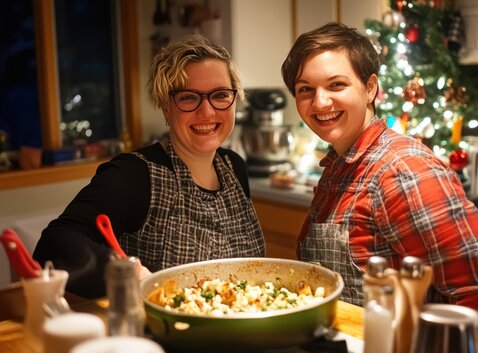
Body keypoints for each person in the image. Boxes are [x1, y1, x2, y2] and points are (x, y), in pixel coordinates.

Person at [33, 34, 265, 299]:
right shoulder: (134, 175)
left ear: (235, 100)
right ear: (166, 108)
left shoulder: (234, 167)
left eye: (220, 95)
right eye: (189, 98)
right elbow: (53, 245)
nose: (208, 112)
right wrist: (121, 270)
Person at [281, 22, 478, 309]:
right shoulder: (341, 163)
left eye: (337, 84)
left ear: (370, 87)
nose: (320, 102)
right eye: (305, 89)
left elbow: (471, 289)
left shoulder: (406, 170)